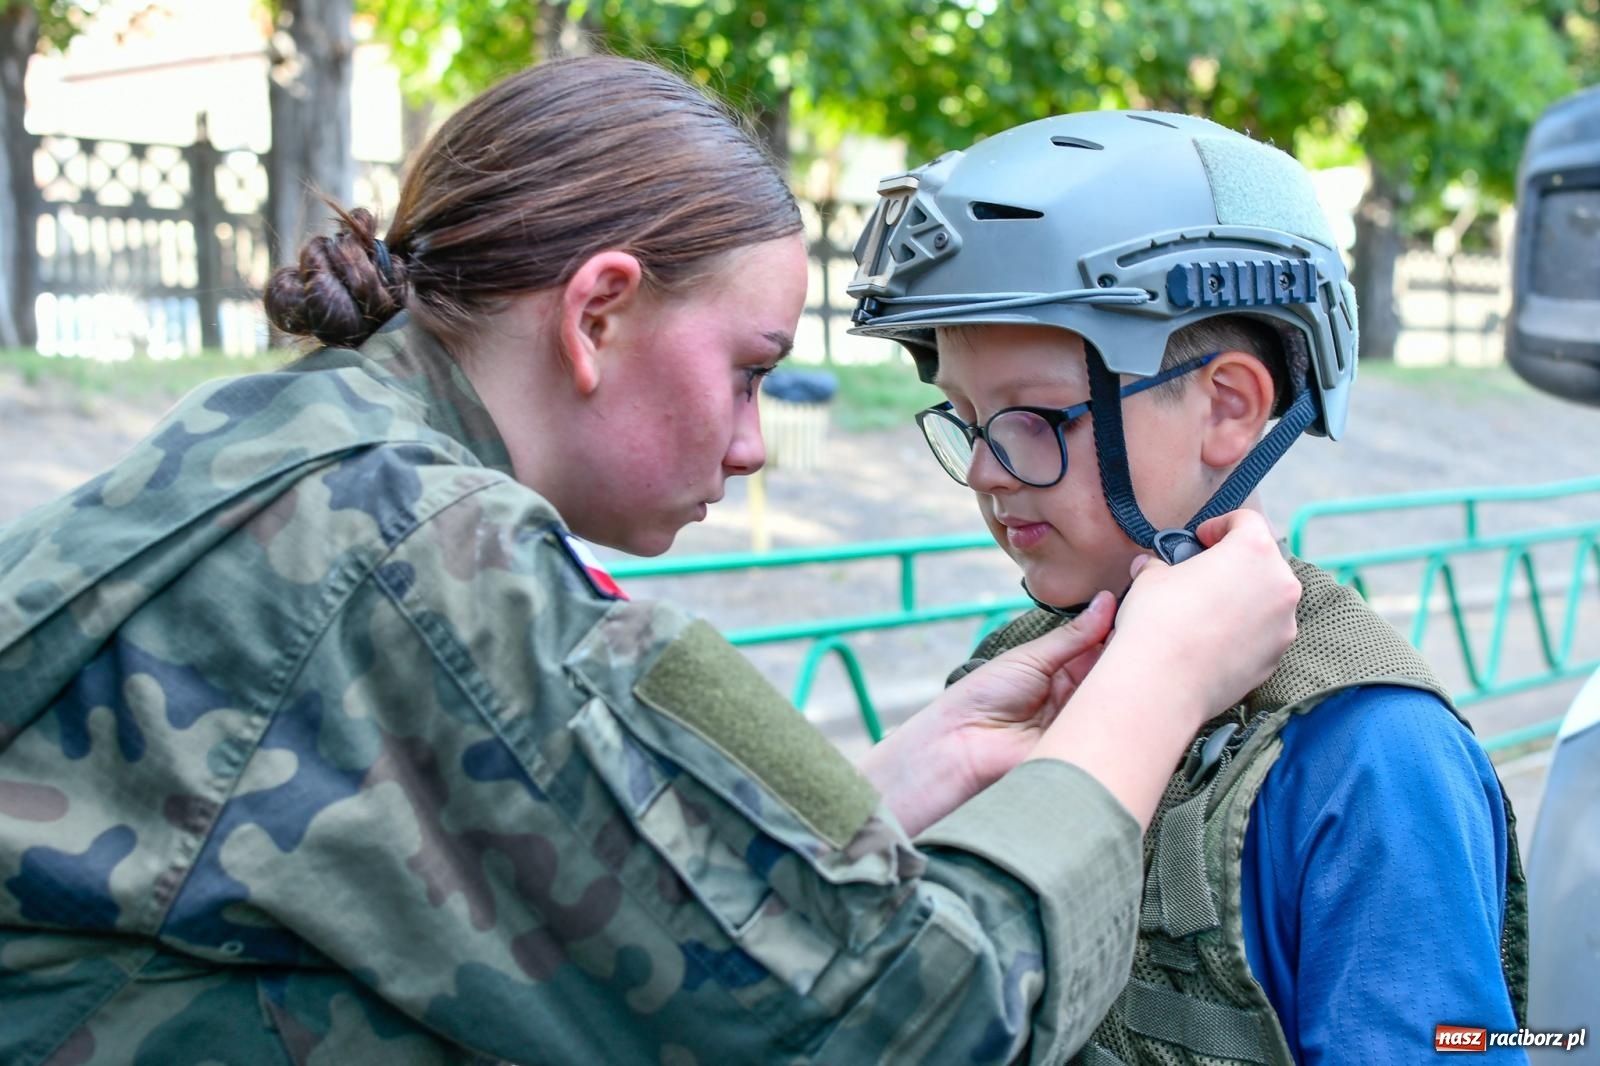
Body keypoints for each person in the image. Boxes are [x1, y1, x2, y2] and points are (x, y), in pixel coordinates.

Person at [0, 58, 1304, 1064]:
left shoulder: (295, 446)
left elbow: (541, 894)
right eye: (748, 371)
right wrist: (1154, 691)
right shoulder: (421, 555)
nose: (751, 449)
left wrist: (872, 794)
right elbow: (910, 1022)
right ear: (599, 312)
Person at [848, 110, 1528, 1064]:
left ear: (1229, 408)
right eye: (965, 419)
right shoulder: (1010, 676)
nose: (985, 473)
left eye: (1034, 419)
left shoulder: (1369, 750)